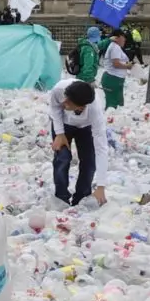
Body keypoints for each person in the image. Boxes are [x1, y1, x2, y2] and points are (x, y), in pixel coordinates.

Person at [48, 79, 108, 207]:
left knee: (89, 161)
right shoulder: (59, 90)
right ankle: (61, 198)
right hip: (63, 124)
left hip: (86, 127)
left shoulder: (95, 111)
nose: (64, 102)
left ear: (81, 107)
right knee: (62, 158)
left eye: (69, 102)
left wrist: (101, 186)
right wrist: (59, 133)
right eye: (66, 98)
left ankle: (81, 198)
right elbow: (55, 108)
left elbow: (101, 148)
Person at [102, 29, 132, 109]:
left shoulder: (115, 47)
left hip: (115, 79)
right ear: (117, 38)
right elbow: (116, 64)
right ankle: (110, 120)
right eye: (123, 37)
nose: (125, 39)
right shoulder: (115, 47)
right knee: (112, 105)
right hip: (112, 79)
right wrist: (128, 66)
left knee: (117, 104)